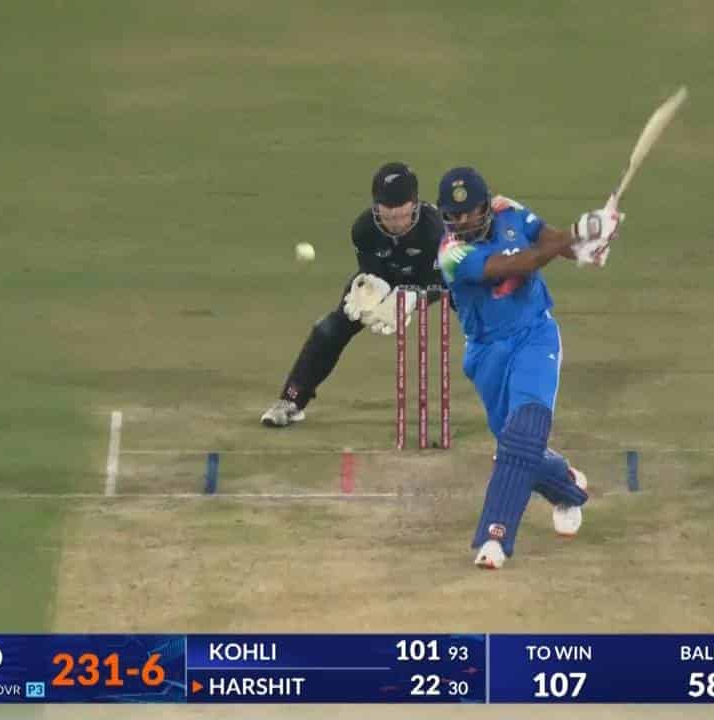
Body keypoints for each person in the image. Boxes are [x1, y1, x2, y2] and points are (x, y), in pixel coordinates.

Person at [435, 166, 621, 569]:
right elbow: (519, 264)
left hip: (534, 335)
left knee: (526, 432)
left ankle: (495, 537)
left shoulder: (509, 212)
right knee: (516, 446)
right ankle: (566, 487)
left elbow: (547, 240)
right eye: (452, 214)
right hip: (486, 353)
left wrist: (587, 244)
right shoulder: (451, 253)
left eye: (467, 212)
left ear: (486, 206)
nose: (460, 220)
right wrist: (582, 229)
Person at [261, 162, 447, 427]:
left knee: (477, 318)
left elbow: (443, 281)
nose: (395, 224)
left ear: (415, 205)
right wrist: (370, 293)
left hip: (433, 278)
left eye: (402, 216)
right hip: (385, 278)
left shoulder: (436, 228)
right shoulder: (364, 229)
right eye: (387, 216)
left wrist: (414, 297)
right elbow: (372, 271)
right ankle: (291, 401)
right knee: (330, 329)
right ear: (376, 207)